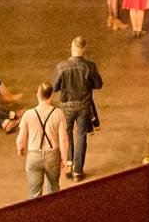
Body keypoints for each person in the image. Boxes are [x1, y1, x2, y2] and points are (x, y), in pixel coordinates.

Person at [49, 37, 102, 180]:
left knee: (67, 135)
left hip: (66, 106)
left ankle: (68, 165)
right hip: (84, 106)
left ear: (72, 48)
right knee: (81, 136)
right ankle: (78, 171)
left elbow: (54, 87)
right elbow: (98, 84)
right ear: (83, 50)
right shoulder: (90, 66)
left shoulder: (62, 66)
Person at [15, 83, 67, 197]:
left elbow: (20, 139)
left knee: (35, 193)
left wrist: (20, 149)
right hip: (52, 156)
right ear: (51, 95)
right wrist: (64, 158)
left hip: (34, 156)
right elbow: (63, 139)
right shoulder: (58, 113)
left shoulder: (28, 114)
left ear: (38, 95)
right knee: (54, 190)